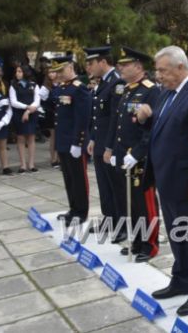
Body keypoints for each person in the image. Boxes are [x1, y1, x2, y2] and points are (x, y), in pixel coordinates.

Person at [139, 46, 188, 317]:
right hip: (166, 178)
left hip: (186, 183)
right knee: (177, 234)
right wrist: (147, 119)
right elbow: (163, 128)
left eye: (162, 70)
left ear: (181, 68)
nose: (158, 76)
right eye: (157, 70)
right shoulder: (166, 93)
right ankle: (181, 280)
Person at [103, 46, 162, 260]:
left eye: (125, 64)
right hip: (124, 155)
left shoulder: (151, 90)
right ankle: (137, 241)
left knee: (145, 203)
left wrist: (137, 153)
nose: (120, 67)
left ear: (138, 66)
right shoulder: (127, 89)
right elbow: (119, 123)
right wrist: (113, 149)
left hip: (141, 159)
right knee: (131, 203)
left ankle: (150, 245)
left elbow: (152, 127)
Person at [84, 46, 126, 240]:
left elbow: (115, 119)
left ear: (102, 62)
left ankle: (122, 226)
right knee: (104, 186)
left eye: (91, 63)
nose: (88, 67)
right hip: (100, 144)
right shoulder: (103, 83)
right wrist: (92, 137)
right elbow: (98, 116)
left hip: (110, 146)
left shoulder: (117, 82)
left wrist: (110, 147)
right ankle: (108, 220)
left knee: (116, 188)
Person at [51, 55, 92, 227]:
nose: (58, 74)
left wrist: (78, 142)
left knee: (78, 179)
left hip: (74, 142)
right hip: (62, 141)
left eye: (61, 70)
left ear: (70, 67)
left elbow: (82, 119)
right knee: (68, 178)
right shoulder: (61, 88)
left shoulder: (79, 89)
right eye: (56, 71)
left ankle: (81, 212)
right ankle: (73, 208)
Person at [9, 65, 40, 173]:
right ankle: (22, 164)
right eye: (17, 71)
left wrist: (28, 111)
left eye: (20, 71)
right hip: (19, 113)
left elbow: (37, 100)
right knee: (21, 138)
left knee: (31, 138)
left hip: (31, 113)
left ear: (25, 72)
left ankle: (31, 164)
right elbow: (13, 102)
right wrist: (26, 107)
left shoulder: (33, 85)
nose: (17, 73)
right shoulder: (13, 85)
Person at [39, 68, 60, 168]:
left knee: (60, 136)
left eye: (53, 71)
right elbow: (42, 101)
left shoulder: (60, 84)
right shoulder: (45, 87)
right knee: (53, 137)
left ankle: (60, 158)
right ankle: (53, 159)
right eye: (50, 72)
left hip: (60, 113)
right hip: (51, 113)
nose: (52, 74)